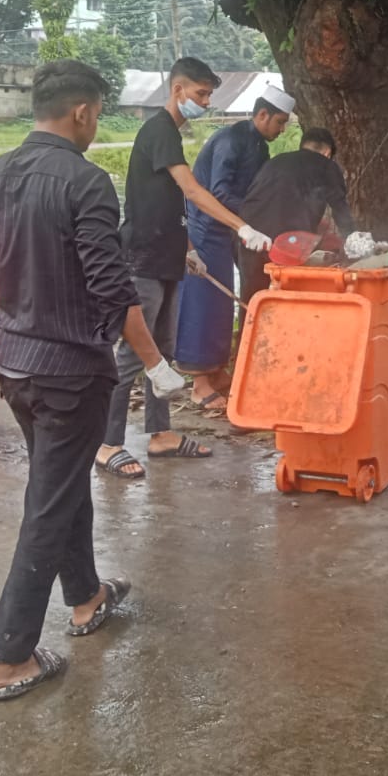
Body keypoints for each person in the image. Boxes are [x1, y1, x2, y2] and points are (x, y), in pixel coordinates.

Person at [0, 60, 185, 701]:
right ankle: (10, 657)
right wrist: (154, 364)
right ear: (83, 113)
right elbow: (111, 289)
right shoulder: (87, 182)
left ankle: (88, 597)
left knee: (60, 485)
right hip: (68, 372)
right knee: (47, 503)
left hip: (12, 363)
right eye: (97, 114)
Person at [95, 57, 272, 476]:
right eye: (201, 94)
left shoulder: (170, 133)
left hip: (169, 254)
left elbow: (169, 203)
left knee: (165, 351)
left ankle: (161, 435)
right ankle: (107, 443)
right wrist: (242, 227)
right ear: (178, 90)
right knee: (134, 354)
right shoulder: (159, 129)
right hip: (142, 258)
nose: (206, 103)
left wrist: (189, 246)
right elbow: (192, 189)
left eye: (209, 95)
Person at [175, 87, 293, 415]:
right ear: (262, 115)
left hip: (230, 228)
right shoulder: (229, 140)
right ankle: (199, 385)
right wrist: (249, 223)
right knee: (204, 299)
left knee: (224, 301)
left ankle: (216, 370)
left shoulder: (258, 146)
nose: (281, 129)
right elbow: (219, 192)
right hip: (204, 226)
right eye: (279, 122)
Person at [236, 126, 356, 304]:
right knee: (290, 296)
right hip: (288, 241)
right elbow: (340, 210)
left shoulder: (276, 161)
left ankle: (247, 330)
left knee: (253, 299)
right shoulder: (326, 165)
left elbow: (273, 199)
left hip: (250, 234)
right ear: (327, 152)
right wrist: (354, 242)